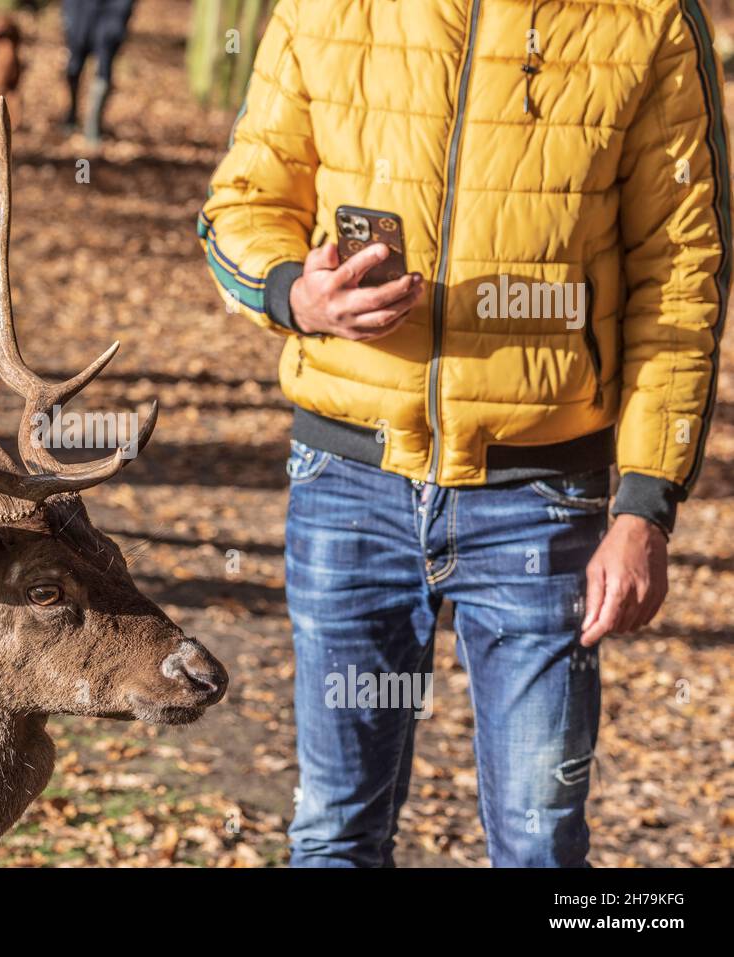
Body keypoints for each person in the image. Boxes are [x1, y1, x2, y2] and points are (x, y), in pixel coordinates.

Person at [199, 0, 728, 866]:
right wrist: (295, 292)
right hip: (349, 481)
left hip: (542, 503)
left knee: (539, 844)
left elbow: (681, 278)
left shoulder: (649, 17)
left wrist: (644, 504)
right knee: (335, 830)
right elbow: (244, 202)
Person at [60, 0, 136, 145]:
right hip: (79, 6)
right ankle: (72, 112)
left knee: (106, 54)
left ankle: (93, 124)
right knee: (75, 60)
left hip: (114, 6)